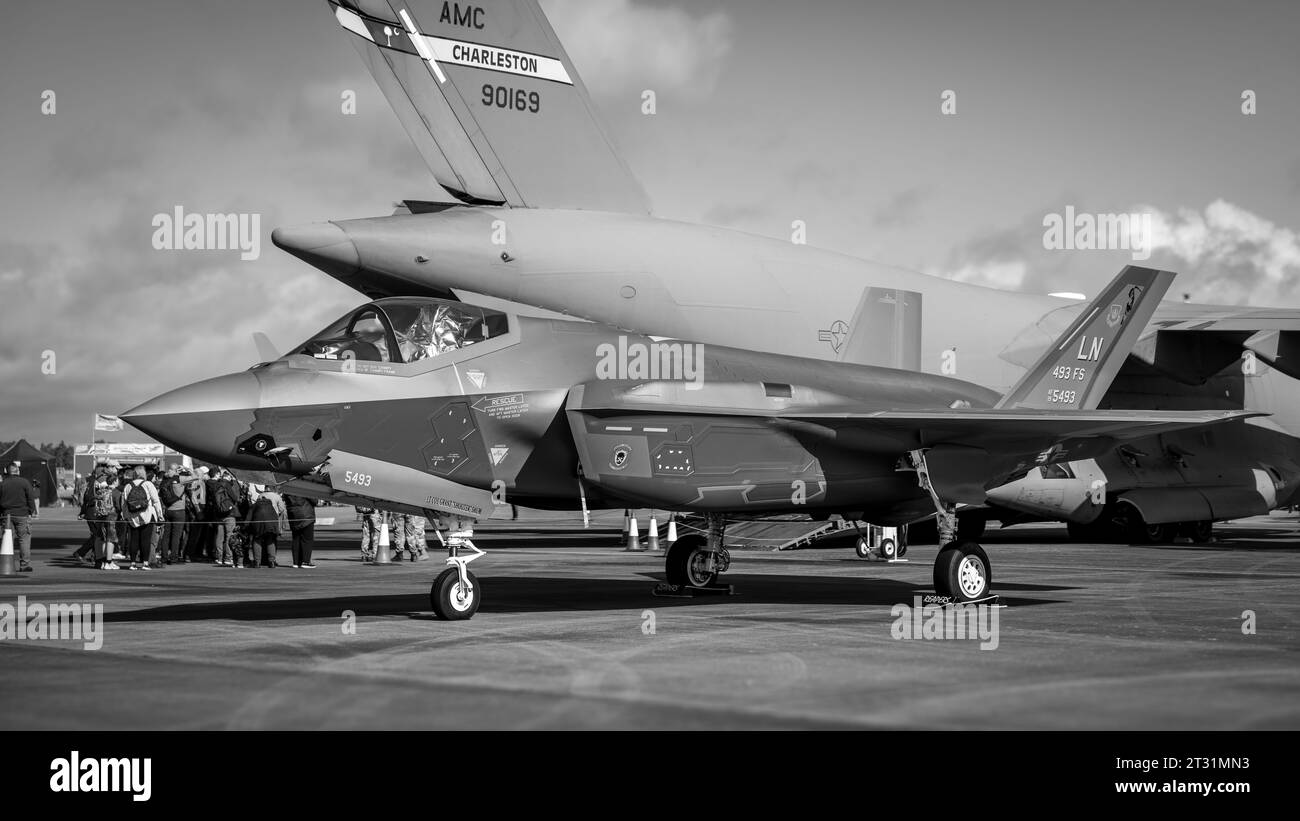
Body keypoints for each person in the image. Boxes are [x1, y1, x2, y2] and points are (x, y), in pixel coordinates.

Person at [120, 465, 163, 571]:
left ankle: (132, 563)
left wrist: (125, 516)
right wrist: (160, 515)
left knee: (133, 539)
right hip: (147, 515)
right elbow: (156, 501)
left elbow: (124, 503)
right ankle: (145, 563)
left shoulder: (128, 486)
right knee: (146, 540)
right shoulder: (148, 484)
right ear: (143, 474)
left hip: (133, 516)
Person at [0, 462, 38, 572]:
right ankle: (24, 564)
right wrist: (31, 511)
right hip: (22, 515)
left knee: (6, 540)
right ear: (17, 471)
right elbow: (30, 498)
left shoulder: (2, 483)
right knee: (24, 540)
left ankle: (6, 563)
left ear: (7, 471)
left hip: (6, 515)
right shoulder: (25, 482)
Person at [243, 485, 288, 568]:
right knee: (270, 540)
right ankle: (272, 562)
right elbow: (281, 511)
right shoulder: (274, 500)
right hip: (271, 524)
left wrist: (245, 527)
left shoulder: (256, 503)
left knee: (257, 540)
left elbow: (248, 518)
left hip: (258, 524)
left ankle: (257, 562)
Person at [158, 466, 190, 564]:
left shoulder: (165, 479)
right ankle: (173, 558)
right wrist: (187, 469)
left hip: (168, 510)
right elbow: (196, 476)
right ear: (177, 470)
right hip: (179, 510)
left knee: (166, 535)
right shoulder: (180, 478)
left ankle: (164, 557)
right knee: (176, 536)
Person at [283, 492, 317, 568]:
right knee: (307, 540)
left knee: (296, 539)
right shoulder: (303, 487)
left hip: (293, 515)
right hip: (306, 515)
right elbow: (315, 501)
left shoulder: (287, 489)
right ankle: (305, 562)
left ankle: (296, 562)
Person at [183, 467, 208, 563]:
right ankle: (188, 554)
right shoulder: (197, 483)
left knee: (191, 534)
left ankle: (187, 554)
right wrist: (198, 511)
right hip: (196, 511)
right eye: (202, 474)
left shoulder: (192, 482)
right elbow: (194, 498)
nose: (204, 476)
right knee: (193, 535)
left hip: (193, 510)